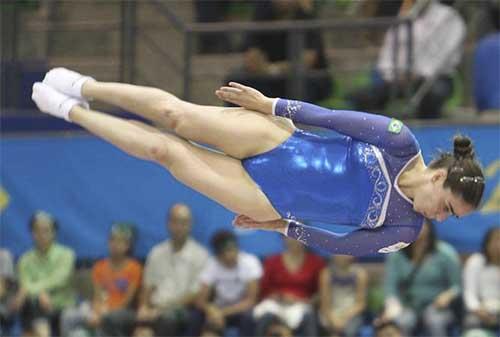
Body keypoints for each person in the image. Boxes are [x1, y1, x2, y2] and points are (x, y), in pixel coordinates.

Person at [32, 67, 484, 257]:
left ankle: (69, 112)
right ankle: (87, 88)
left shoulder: (405, 231)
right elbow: (330, 117)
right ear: (439, 176)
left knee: (165, 151)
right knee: (176, 116)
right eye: (446, 205)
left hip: (269, 199)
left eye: (449, 217)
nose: (440, 218)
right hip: (278, 141)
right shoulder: (398, 141)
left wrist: (284, 228)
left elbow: (344, 246)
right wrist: (271, 105)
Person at [347, 0, 466, 119]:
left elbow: (447, 56)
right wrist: (394, 75)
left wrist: (418, 73)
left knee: (432, 96)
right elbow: (386, 55)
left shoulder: (450, 18)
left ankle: (428, 130)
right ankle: (381, 131)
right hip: (399, 79)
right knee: (361, 98)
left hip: (436, 79)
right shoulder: (405, 17)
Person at [225, 0, 333, 103]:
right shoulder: (262, 13)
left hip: (303, 77)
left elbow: (306, 62)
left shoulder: (306, 15)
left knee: (302, 84)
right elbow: (251, 57)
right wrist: (269, 70)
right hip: (266, 75)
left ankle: (297, 121)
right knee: (236, 82)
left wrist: (275, 69)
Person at [379, 220, 462, 336]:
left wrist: (448, 295)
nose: (417, 229)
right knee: (402, 321)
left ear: (429, 228)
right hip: (407, 306)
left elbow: (457, 286)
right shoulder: (396, 255)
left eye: (421, 224)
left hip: (436, 306)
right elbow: (390, 287)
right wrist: (393, 305)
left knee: (435, 321)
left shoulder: (445, 253)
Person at [137, 203, 209, 336]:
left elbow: (195, 294)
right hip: (154, 308)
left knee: (167, 319)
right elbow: (147, 286)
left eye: (184, 222)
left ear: (190, 225)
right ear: (168, 223)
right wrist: (143, 308)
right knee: (116, 319)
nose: (179, 227)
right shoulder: (156, 252)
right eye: (175, 221)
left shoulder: (201, 255)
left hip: (183, 310)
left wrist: (163, 310)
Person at [13, 211, 76, 336]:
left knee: (32, 300)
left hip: (60, 305)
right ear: (32, 233)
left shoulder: (66, 254)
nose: (41, 235)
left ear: (54, 233)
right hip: (33, 306)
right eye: (37, 230)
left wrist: (36, 290)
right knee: (28, 303)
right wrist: (37, 293)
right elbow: (24, 282)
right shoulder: (24, 260)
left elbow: (60, 280)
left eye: (46, 230)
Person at [193, 230, 261, 336]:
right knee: (196, 315)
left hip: (240, 309)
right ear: (218, 254)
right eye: (226, 252)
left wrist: (223, 313)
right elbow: (200, 300)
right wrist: (211, 310)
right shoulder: (212, 264)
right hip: (217, 308)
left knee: (249, 317)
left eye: (233, 250)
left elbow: (251, 301)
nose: (230, 255)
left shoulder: (250, 262)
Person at [254, 237, 324, 336]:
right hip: (275, 304)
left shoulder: (316, 262)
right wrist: (277, 296)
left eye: (297, 237)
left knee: (310, 317)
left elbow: (321, 293)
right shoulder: (272, 261)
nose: (293, 240)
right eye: (289, 237)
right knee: (264, 317)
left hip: (302, 306)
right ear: (283, 239)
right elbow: (263, 290)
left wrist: (304, 301)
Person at [462, 227, 500, 336]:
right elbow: (469, 293)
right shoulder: (476, 261)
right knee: (472, 324)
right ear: (487, 243)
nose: (498, 245)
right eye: (495, 240)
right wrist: (477, 309)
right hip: (481, 311)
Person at [319, 255, 368, 337]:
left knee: (350, 331)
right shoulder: (326, 274)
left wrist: (344, 318)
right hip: (331, 313)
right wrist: (333, 319)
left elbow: (361, 304)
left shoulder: (360, 274)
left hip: (352, 314)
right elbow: (325, 305)